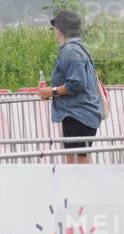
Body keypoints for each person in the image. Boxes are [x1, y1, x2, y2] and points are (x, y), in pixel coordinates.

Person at [39, 10, 104, 164]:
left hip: (78, 115)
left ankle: (78, 181)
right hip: (80, 114)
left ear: (61, 30)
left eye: (55, 28)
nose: (54, 31)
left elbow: (77, 83)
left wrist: (52, 91)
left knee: (75, 164)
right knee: (80, 160)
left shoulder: (71, 50)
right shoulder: (78, 48)